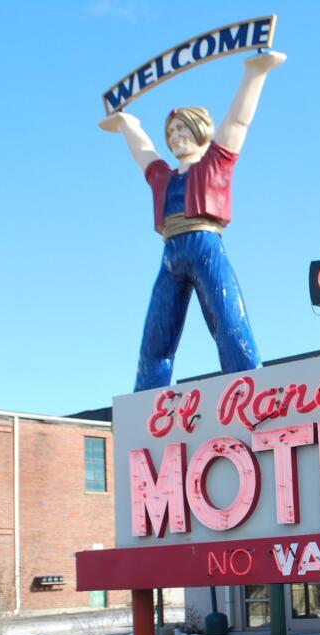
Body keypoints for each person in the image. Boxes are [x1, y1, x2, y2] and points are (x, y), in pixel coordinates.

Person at [99, 51, 286, 392]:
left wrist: (255, 73)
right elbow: (144, 151)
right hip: (171, 252)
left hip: (205, 245)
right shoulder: (162, 176)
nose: (175, 137)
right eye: (171, 132)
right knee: (157, 332)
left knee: (228, 321)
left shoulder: (215, 162)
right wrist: (127, 123)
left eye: (182, 128)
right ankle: (146, 397)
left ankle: (249, 389)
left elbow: (237, 122)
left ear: (200, 130)